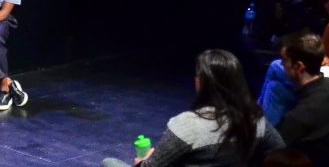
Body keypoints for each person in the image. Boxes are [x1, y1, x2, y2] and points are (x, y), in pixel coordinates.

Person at [102, 50, 283, 167]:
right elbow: (281, 150)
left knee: (109, 163)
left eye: (197, 76)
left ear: (204, 83)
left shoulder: (187, 125)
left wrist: (142, 162)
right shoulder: (256, 120)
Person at [274, 31, 329, 167]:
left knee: (273, 87)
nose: (281, 64)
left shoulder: (297, 119)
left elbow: (271, 148)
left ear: (299, 67)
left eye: (284, 60)